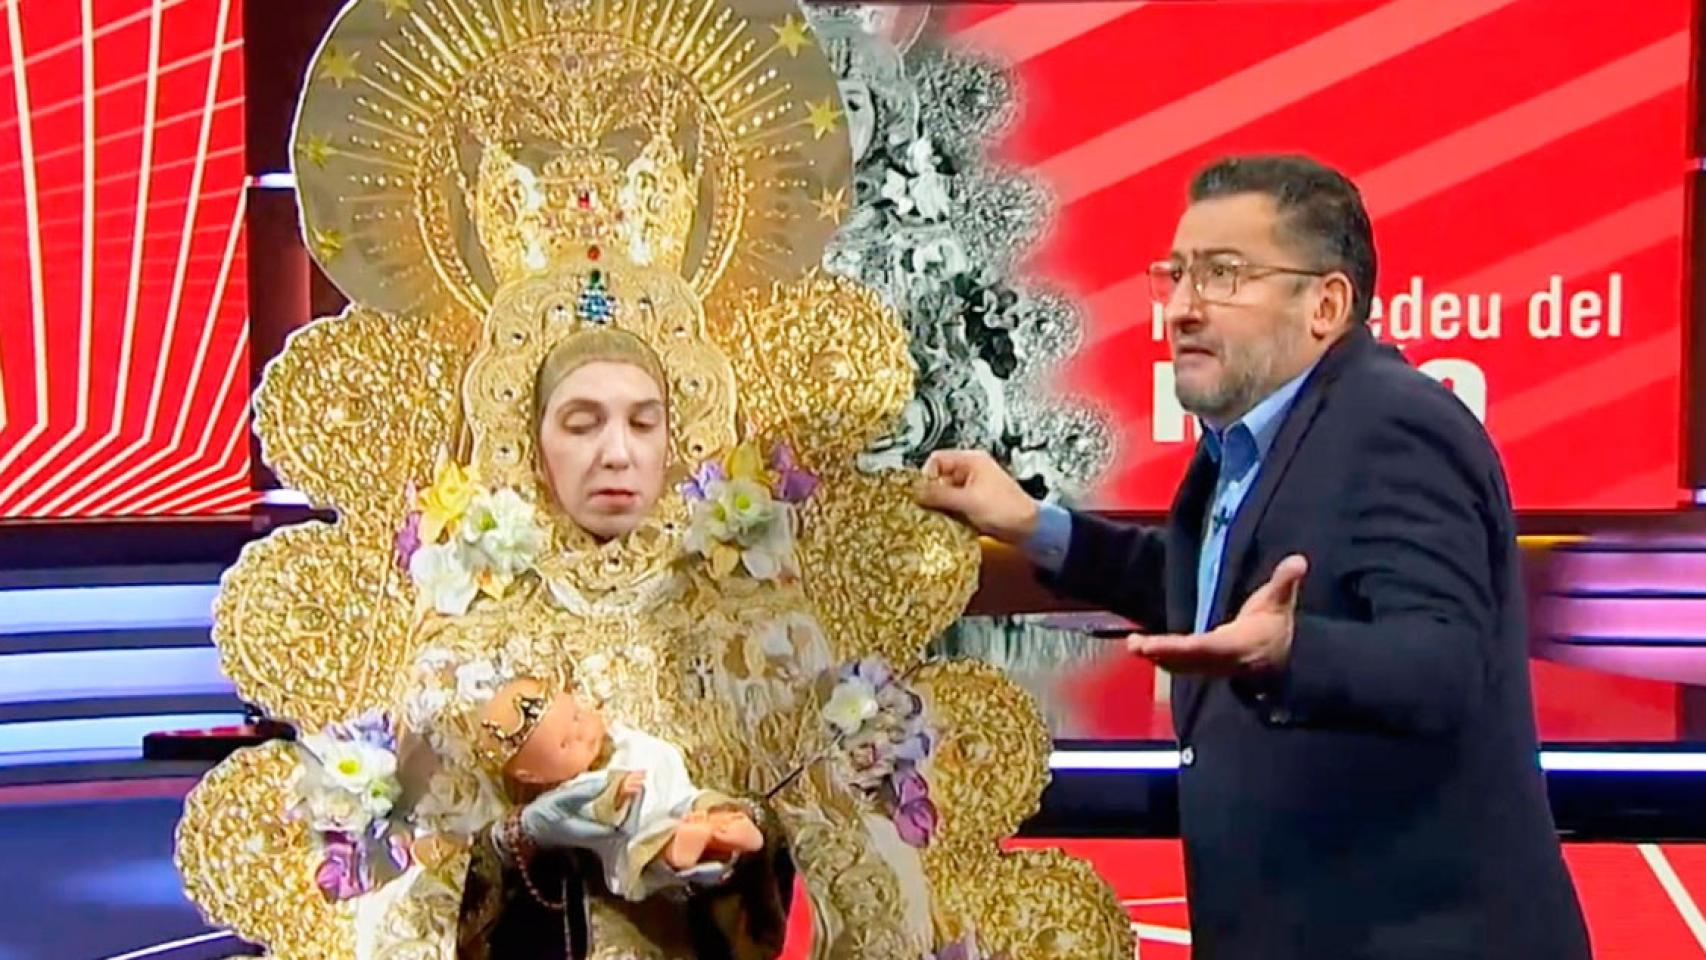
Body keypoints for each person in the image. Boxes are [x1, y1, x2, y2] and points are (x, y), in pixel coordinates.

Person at [918, 155, 1590, 960]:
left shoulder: (1394, 425)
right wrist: (1032, 524)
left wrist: (1289, 654)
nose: (1182, 307)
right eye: (1176, 274)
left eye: (1224, 275)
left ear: (1326, 304)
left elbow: (1443, 662)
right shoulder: (1249, 442)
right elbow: (1206, 587)